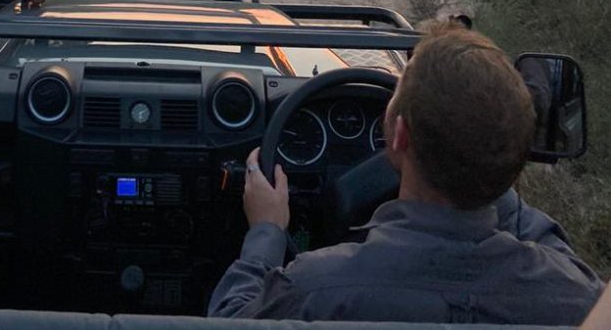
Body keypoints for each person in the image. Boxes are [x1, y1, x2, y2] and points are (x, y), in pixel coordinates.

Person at [209, 21, 603, 323]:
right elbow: (541, 233)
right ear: (518, 157)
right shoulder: (577, 298)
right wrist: (489, 148)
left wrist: (267, 229)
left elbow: (230, 319)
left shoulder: (316, 288)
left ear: (398, 136)